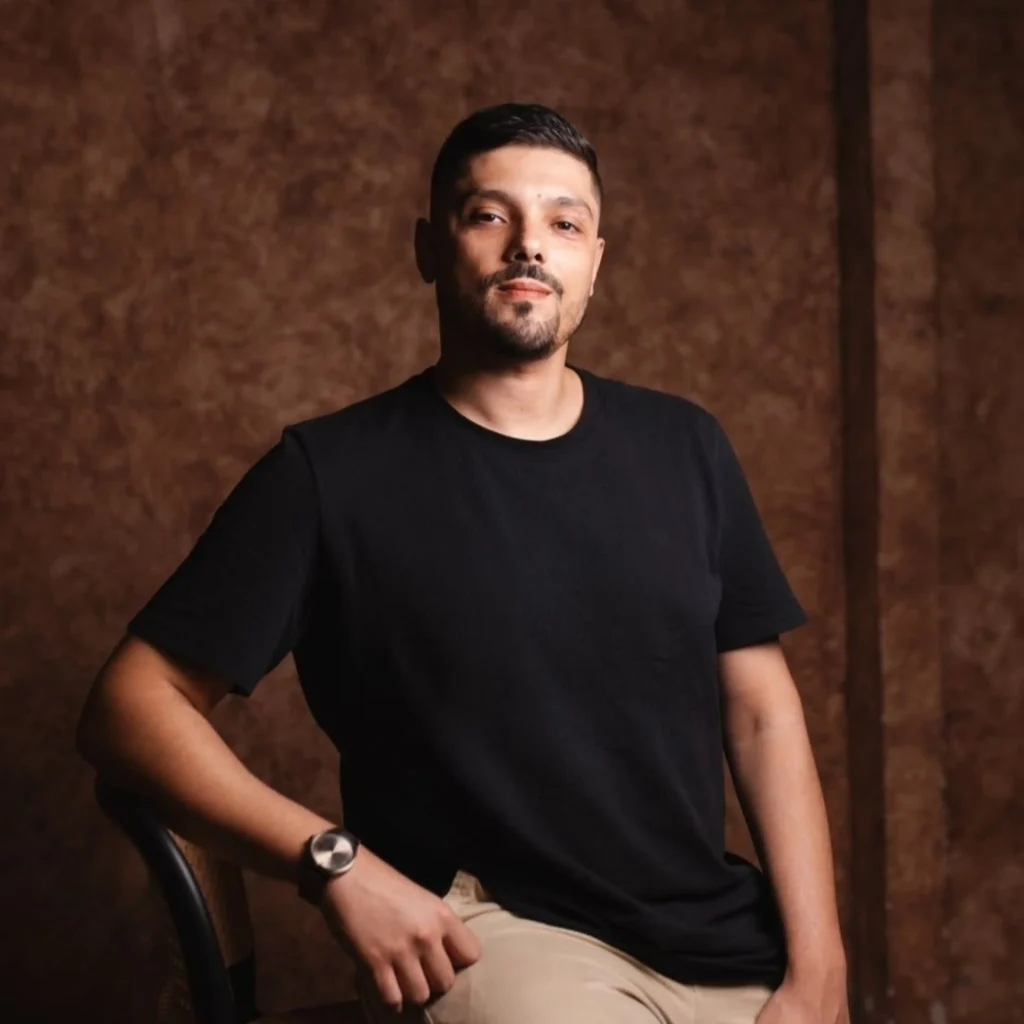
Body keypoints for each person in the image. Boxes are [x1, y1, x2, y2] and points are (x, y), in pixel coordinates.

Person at [77, 103, 849, 1024]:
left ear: (595, 262)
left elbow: (762, 714)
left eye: (564, 223)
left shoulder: (686, 448)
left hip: (713, 930)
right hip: (493, 931)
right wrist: (334, 863)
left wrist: (821, 966)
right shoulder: (330, 475)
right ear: (428, 248)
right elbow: (129, 705)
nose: (530, 245)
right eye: (490, 215)